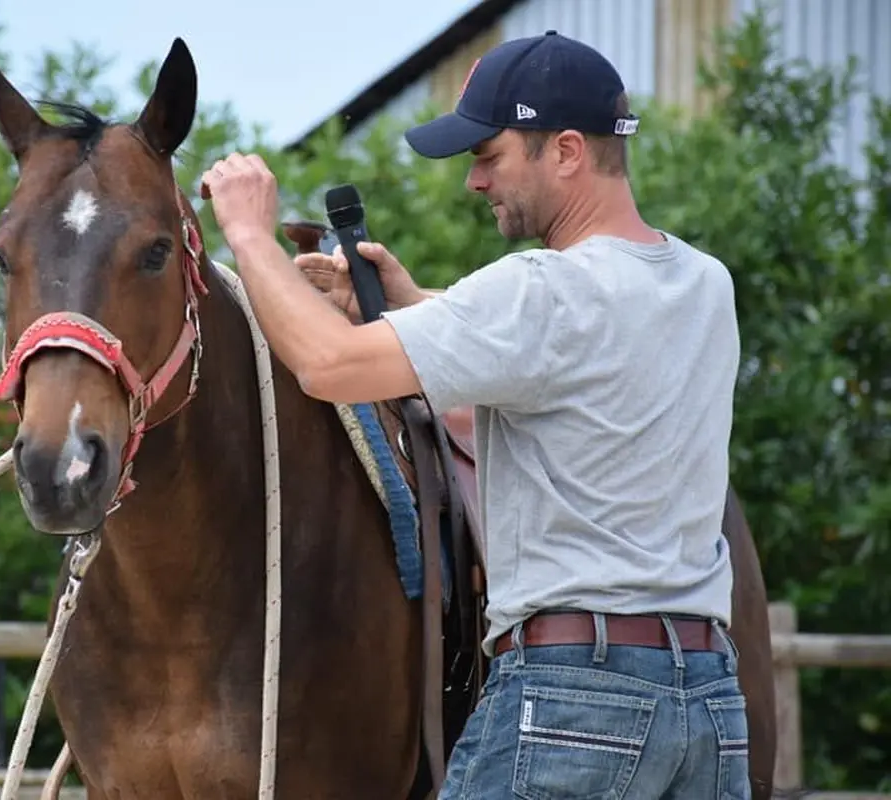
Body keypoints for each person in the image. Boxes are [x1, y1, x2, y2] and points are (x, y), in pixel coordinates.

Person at [200, 29, 749, 800]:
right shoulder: (703, 284)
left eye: (489, 156)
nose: (475, 182)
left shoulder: (538, 290)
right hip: (707, 702)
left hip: (573, 697)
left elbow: (328, 367)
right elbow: (582, 353)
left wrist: (249, 236)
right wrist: (417, 306)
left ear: (564, 151)